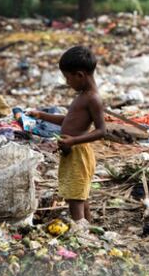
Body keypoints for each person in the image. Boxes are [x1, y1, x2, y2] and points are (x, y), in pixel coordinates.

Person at [28, 46, 105, 224]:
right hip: (72, 151)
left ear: (80, 75)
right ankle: (88, 226)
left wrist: (74, 140)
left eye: (68, 77)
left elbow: (102, 130)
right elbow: (68, 120)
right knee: (80, 193)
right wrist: (41, 115)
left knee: (74, 197)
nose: (67, 82)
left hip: (78, 152)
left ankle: (80, 231)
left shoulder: (93, 98)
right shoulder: (83, 95)